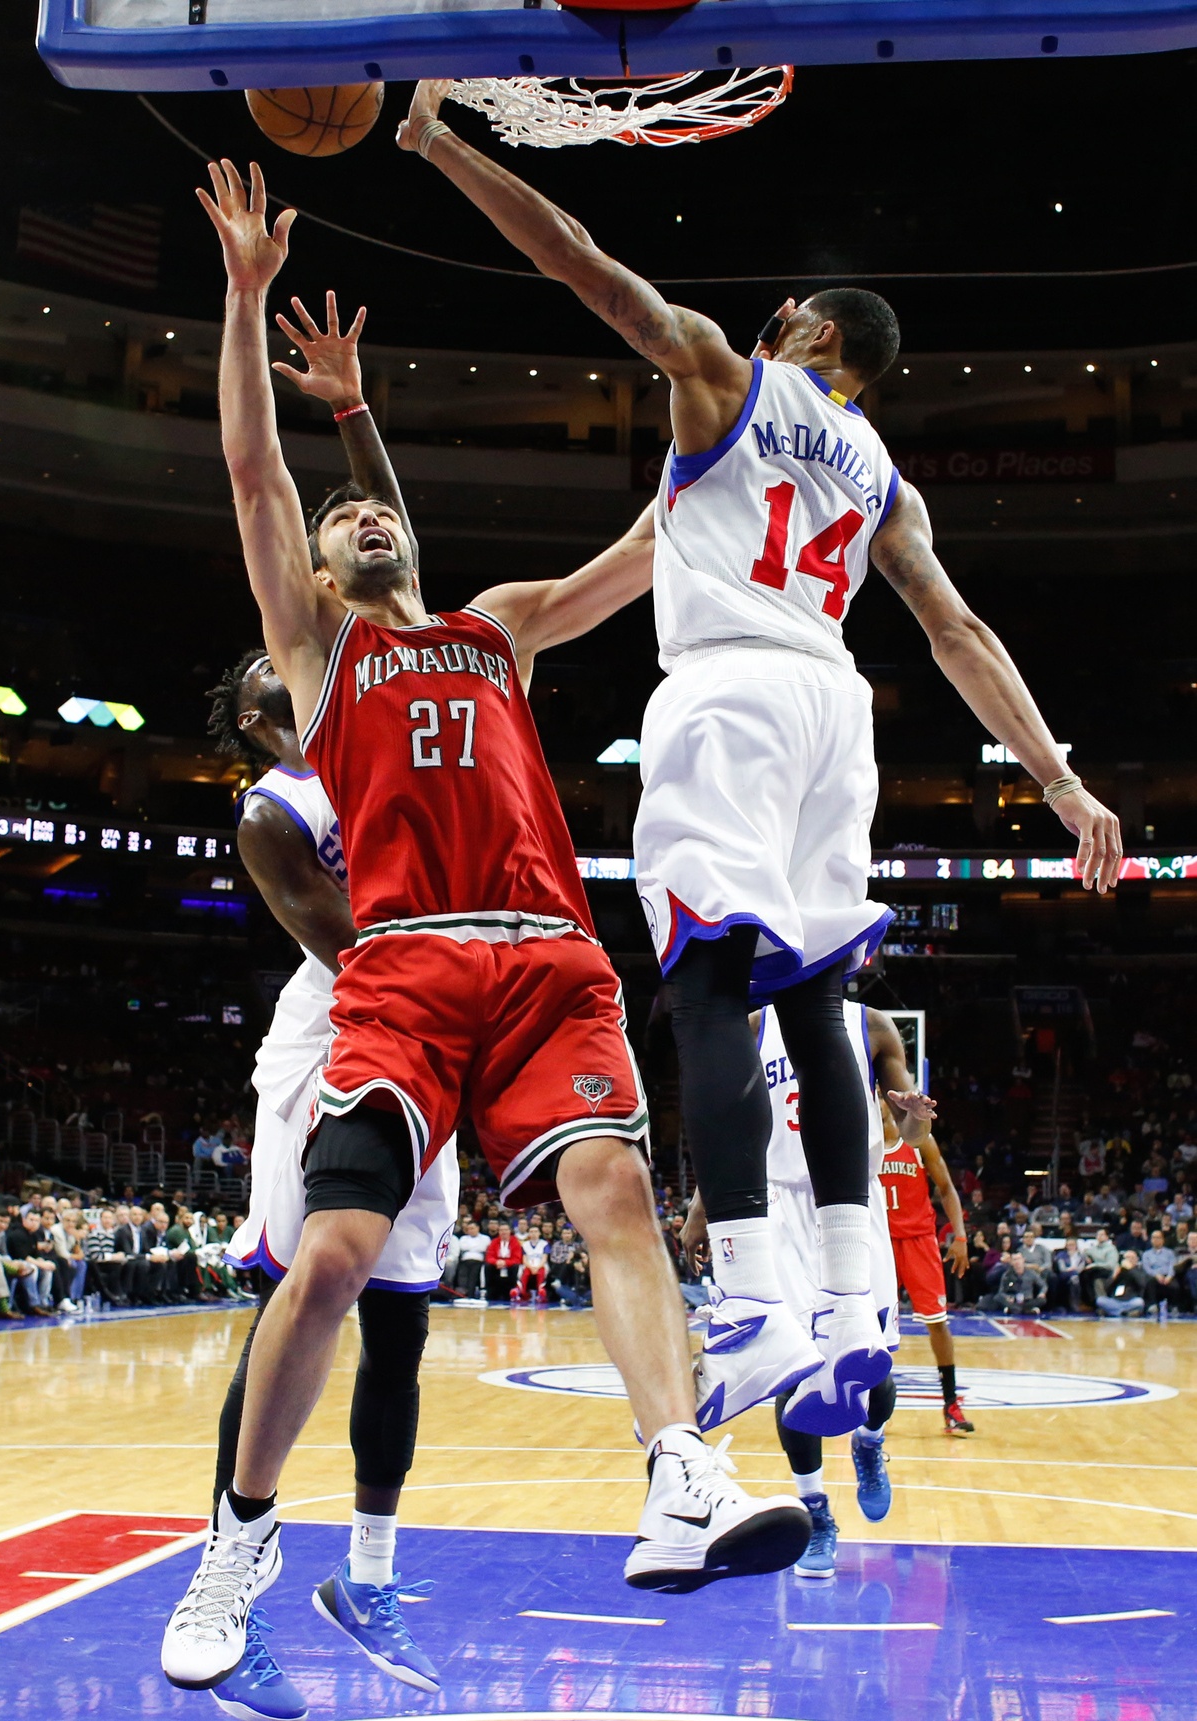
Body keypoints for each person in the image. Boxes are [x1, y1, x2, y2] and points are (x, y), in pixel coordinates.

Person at [164, 162, 811, 1697]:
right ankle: (238, 1542)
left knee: (614, 1196)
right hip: (403, 968)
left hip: (545, 956)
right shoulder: (318, 661)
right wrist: (246, 297)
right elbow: (254, 474)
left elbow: (650, 546)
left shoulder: (498, 623)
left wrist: (753, 404)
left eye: (375, 506)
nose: (360, 517)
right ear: (320, 573)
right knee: (330, 1257)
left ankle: (678, 1468)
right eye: (342, 519)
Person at [396, 79, 1123, 1441]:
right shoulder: (881, 474)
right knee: (817, 1000)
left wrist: (440, 146)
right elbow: (956, 632)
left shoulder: (728, 377)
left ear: (805, 329)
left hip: (728, 697)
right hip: (833, 712)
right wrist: (1059, 781)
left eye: (782, 311)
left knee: (708, 993)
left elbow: (580, 263)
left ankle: (746, 1302)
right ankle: (848, 1311)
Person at [203, 629, 463, 1706]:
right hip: (339, 1030)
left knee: (400, 1322)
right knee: (289, 1306)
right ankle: (231, 1602)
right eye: (276, 674)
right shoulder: (274, 809)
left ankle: (368, 1576)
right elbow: (354, 944)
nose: (300, 667)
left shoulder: (392, 747)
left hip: (432, 1024)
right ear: (258, 720)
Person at [683, 1000, 920, 1577]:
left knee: (871, 1369)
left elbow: (912, 1135)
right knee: (796, 1371)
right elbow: (729, 1128)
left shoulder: (872, 1025)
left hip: (853, 1205)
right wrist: (700, 1207)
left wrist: (915, 1117)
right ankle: (816, 1512)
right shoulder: (755, 1026)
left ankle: (869, 1442)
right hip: (779, 1209)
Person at [879, 1100, 975, 1435]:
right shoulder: (862, 1140)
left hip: (919, 1240)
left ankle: (951, 1404)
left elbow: (946, 1187)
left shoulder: (919, 1140)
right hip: (879, 1242)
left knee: (937, 1323)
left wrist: (959, 1236)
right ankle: (867, 1404)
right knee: (871, 1326)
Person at [981, 1253, 1046, 1316]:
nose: (1017, 1262)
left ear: (1023, 1260)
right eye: (1015, 1260)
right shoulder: (1007, 1275)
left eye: (1019, 1259)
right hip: (1013, 1300)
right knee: (997, 1297)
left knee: (1042, 1300)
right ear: (1012, 1262)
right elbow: (1001, 1292)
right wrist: (1007, 1297)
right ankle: (1026, 1310)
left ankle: (1015, 1309)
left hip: (1027, 1300)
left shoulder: (1031, 1273)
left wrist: (1042, 1292)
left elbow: (1043, 1285)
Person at [1096, 1251, 1148, 1318]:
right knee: (1100, 1300)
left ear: (1136, 1259)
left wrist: (1131, 1269)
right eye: (1127, 1258)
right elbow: (1107, 1288)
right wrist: (1114, 1276)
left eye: (1132, 1258)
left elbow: (1142, 1283)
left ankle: (1113, 1312)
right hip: (1115, 1301)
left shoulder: (1139, 1270)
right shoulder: (1119, 1270)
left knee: (1140, 1302)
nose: (1129, 1260)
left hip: (1130, 1301)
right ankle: (1123, 1312)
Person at [483, 1221, 522, 1304]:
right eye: (501, 1230)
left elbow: (517, 1258)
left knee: (515, 1267)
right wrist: (496, 1262)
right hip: (496, 1264)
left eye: (506, 1230)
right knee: (488, 1266)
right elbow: (489, 1256)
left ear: (510, 1231)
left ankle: (512, 1292)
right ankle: (490, 1292)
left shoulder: (515, 1242)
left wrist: (505, 1263)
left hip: (510, 1264)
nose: (504, 1232)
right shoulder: (494, 1242)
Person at [1141, 1230, 1178, 1314]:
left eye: (1158, 1238)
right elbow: (1147, 1268)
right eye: (1153, 1238)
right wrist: (1156, 1275)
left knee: (1175, 1285)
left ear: (1162, 1240)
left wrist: (1169, 1276)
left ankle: (1173, 1306)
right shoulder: (1146, 1254)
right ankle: (1152, 1305)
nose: (1156, 1240)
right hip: (1154, 1276)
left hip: (1167, 1275)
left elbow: (1172, 1266)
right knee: (1150, 1282)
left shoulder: (1170, 1253)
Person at [1048, 1235, 1086, 1312]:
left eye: (1072, 1245)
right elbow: (1062, 1269)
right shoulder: (1061, 1255)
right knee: (1074, 1278)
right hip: (1064, 1275)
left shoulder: (1081, 1256)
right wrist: (1072, 1270)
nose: (1070, 1247)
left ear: (1076, 1245)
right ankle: (1074, 1304)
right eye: (1068, 1245)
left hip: (1077, 1274)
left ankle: (1075, 1303)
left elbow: (1081, 1268)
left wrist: (1075, 1271)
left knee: (1075, 1278)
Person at [515, 1223, 549, 1304]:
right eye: (531, 1232)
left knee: (541, 1272)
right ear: (528, 1233)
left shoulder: (544, 1244)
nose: (533, 1234)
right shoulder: (525, 1245)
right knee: (525, 1273)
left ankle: (541, 1293)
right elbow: (524, 1260)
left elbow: (544, 1259)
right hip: (528, 1265)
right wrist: (530, 1267)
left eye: (536, 1231)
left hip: (541, 1265)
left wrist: (537, 1268)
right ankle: (521, 1292)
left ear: (539, 1233)